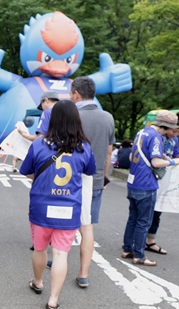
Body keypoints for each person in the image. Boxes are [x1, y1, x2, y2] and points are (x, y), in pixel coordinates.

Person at [20, 100, 96, 309]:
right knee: (61, 254)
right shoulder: (84, 147)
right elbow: (89, 171)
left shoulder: (39, 144)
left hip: (41, 206)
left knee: (40, 248)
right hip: (69, 209)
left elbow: (26, 171)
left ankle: (38, 282)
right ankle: (53, 300)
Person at [69, 76, 116, 289]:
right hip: (95, 179)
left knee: (63, 225)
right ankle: (83, 273)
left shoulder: (72, 116)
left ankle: (58, 259)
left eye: (71, 93)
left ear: (77, 94)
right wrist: (103, 176)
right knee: (87, 227)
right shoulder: (108, 118)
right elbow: (108, 153)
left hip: (69, 180)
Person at [121, 111, 179, 266]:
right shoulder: (156, 137)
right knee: (144, 221)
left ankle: (127, 249)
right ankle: (139, 255)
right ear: (166, 126)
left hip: (133, 181)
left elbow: (131, 157)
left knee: (133, 218)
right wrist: (173, 162)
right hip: (146, 183)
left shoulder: (141, 132)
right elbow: (155, 163)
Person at [146, 111, 179, 255]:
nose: (176, 134)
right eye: (174, 131)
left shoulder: (174, 140)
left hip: (165, 178)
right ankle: (139, 240)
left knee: (158, 209)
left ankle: (150, 240)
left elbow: (175, 154)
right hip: (153, 176)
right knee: (146, 210)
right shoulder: (157, 137)